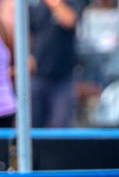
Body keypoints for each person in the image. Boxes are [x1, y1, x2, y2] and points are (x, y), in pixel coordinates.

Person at [28, 0, 81, 128]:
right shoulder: (37, 6)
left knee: (59, 126)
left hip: (63, 77)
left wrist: (54, 3)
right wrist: (28, 55)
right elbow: (30, 32)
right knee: (33, 124)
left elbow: (70, 20)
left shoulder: (72, 3)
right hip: (37, 76)